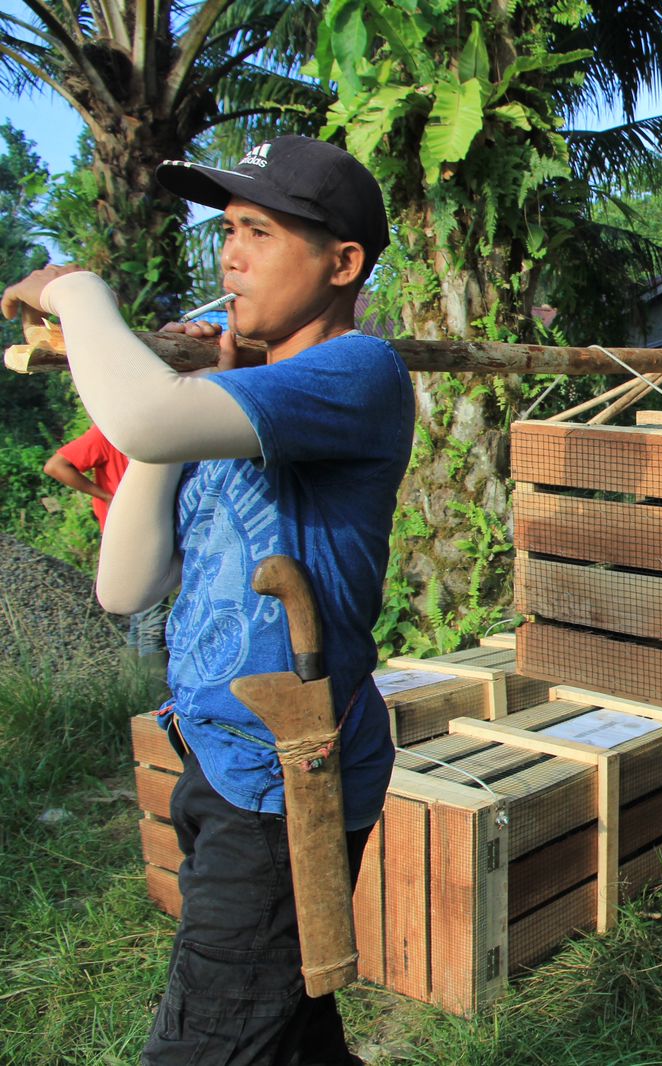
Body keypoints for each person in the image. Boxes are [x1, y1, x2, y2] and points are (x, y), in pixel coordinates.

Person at [2, 134, 413, 1064]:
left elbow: (139, 410)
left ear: (342, 263)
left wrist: (76, 291)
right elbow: (126, 584)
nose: (229, 254)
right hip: (217, 763)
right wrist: (187, 399)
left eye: (259, 231)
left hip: (283, 784)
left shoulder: (357, 374)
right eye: (226, 228)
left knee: (208, 1043)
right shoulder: (231, 400)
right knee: (290, 1032)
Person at [44, 424, 169, 663]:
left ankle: (135, 693)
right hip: (138, 532)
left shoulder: (140, 430)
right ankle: (157, 694)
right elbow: (55, 466)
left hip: (134, 530)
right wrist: (107, 497)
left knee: (139, 617)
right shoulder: (110, 432)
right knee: (152, 621)